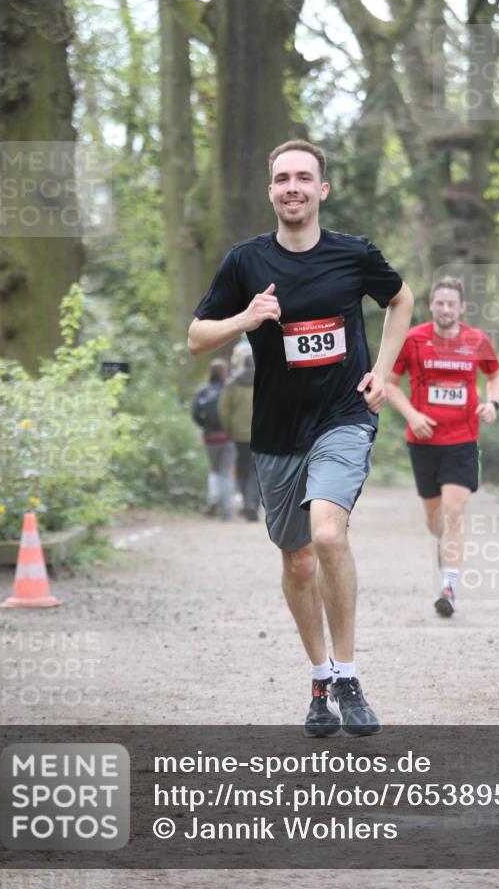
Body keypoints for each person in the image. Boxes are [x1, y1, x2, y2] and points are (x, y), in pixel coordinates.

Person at [188, 138, 413, 736]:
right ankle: (319, 678)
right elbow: (195, 336)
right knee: (296, 560)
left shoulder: (354, 255)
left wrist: (383, 372)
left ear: (322, 189)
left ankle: (348, 674)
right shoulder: (245, 262)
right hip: (275, 433)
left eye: (303, 178)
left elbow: (400, 299)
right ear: (271, 191)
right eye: (282, 177)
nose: (293, 187)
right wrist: (245, 319)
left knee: (326, 535)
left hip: (343, 417)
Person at [385, 276, 499, 617]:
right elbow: (391, 385)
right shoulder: (413, 340)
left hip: (462, 441)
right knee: (435, 521)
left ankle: (448, 588)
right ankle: (447, 549)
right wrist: (412, 415)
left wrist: (492, 404)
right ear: (431, 306)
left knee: (453, 515)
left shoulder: (476, 340)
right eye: (440, 303)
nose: (446, 308)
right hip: (422, 441)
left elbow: (495, 375)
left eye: (452, 303)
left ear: (462, 307)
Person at [192, 358, 235, 521]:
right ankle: (225, 509)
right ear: (225, 372)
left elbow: (195, 413)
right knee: (226, 471)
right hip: (227, 437)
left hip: (210, 437)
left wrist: (205, 426)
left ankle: (213, 499)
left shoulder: (203, 391)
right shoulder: (229, 389)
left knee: (214, 470)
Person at [219, 349, 260, 521]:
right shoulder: (262, 381)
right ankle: (252, 503)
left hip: (237, 434)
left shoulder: (232, 384)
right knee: (255, 470)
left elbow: (224, 410)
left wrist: (228, 430)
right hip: (259, 433)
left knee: (241, 469)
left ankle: (243, 501)